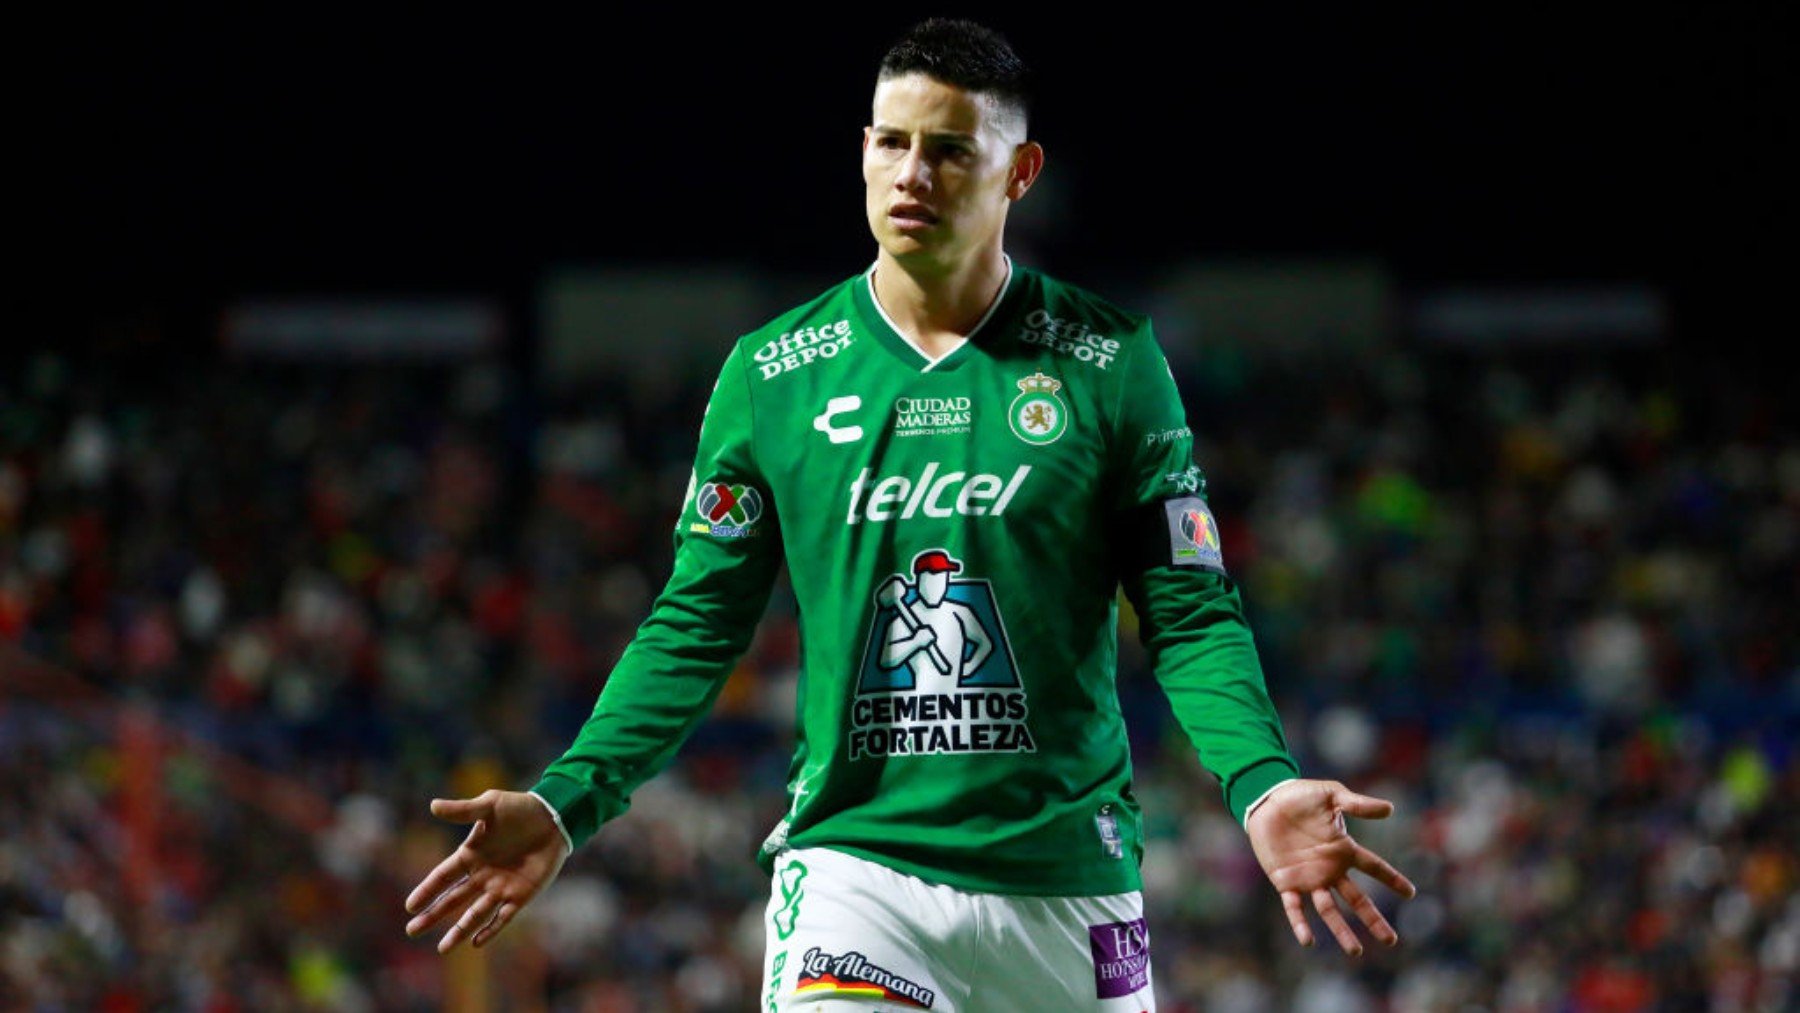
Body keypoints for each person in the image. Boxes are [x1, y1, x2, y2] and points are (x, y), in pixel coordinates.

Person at [404, 17, 1416, 1010]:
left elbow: (1189, 611)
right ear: (862, 151)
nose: (912, 175)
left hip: (1068, 881)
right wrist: (568, 800)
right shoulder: (773, 374)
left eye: (949, 151)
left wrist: (1261, 783)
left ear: (1020, 173)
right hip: (857, 872)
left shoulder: (1112, 363)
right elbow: (696, 624)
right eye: (891, 143)